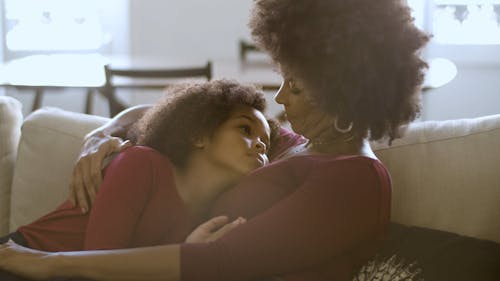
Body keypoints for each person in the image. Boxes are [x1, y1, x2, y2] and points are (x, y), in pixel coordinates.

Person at [0, 0, 429, 280]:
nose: (279, 98)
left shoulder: (354, 180)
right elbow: (186, 116)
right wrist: (101, 134)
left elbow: (225, 261)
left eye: (295, 87)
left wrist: (49, 264)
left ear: (344, 97)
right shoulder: (290, 143)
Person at [0, 79, 272, 252]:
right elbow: (98, 265)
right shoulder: (141, 164)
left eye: (266, 143)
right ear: (199, 135)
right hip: (19, 260)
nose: (260, 146)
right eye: (245, 129)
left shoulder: (213, 215)